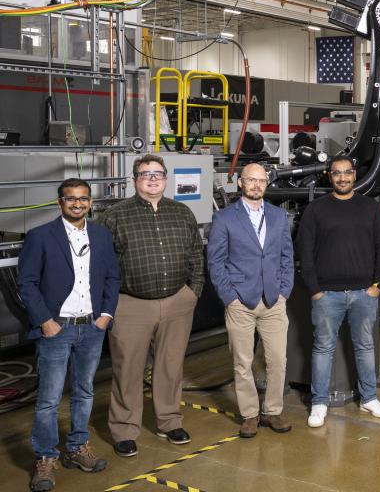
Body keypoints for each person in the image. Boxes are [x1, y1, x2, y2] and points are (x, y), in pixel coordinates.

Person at [17, 179, 120, 492]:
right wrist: (45, 321)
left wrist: (106, 315)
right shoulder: (40, 236)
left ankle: (77, 449)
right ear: (60, 202)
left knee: (84, 391)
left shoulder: (101, 234)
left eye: (83, 199)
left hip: (92, 327)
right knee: (48, 400)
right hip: (57, 328)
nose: (78, 204)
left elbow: (112, 277)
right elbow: (27, 283)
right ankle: (46, 457)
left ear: (90, 202)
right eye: (71, 199)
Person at [101, 154, 204, 457]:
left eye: (158, 173)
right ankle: (123, 429)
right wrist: (111, 304)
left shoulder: (181, 212)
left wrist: (192, 292)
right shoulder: (115, 216)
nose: (152, 179)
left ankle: (169, 421)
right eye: (145, 174)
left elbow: (196, 254)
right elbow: (101, 264)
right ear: (135, 180)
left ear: (166, 178)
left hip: (176, 302)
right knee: (128, 369)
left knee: (170, 366)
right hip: (131, 304)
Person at [297, 155, 380, 428]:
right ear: (330, 176)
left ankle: (369, 398)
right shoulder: (316, 210)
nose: (342, 178)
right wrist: (315, 290)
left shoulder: (370, 208)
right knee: (322, 348)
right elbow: (305, 252)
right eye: (337, 173)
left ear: (354, 174)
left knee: (365, 347)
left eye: (347, 173)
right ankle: (319, 403)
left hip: (365, 293)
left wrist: (377, 285)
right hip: (327, 295)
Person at [207, 163, 294, 438]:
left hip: (273, 301)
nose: (256, 185)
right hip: (240, 303)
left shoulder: (280, 217)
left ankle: (273, 411)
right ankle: (250, 415)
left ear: (266, 184)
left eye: (261, 181)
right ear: (240, 183)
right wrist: (229, 298)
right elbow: (216, 262)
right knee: (242, 362)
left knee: (278, 361)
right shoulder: (224, 218)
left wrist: (284, 291)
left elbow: (286, 257)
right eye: (251, 180)